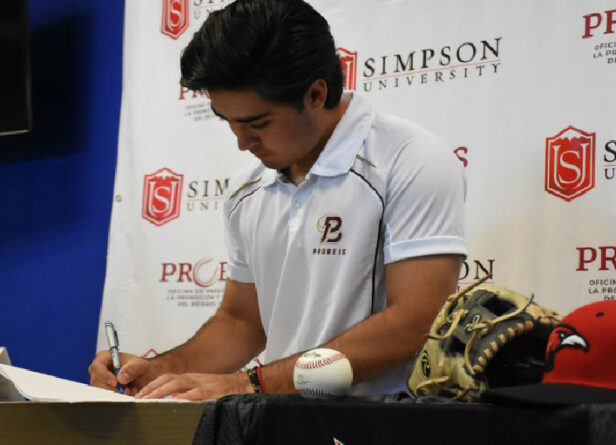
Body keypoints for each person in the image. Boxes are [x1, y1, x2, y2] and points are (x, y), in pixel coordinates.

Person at [89, 0, 467, 400]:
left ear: (316, 94)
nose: (241, 143)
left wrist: (252, 383)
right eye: (228, 121)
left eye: (258, 124)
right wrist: (160, 370)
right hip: (282, 424)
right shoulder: (245, 189)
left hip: (384, 427)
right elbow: (242, 322)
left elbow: (416, 323)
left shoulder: (411, 160)